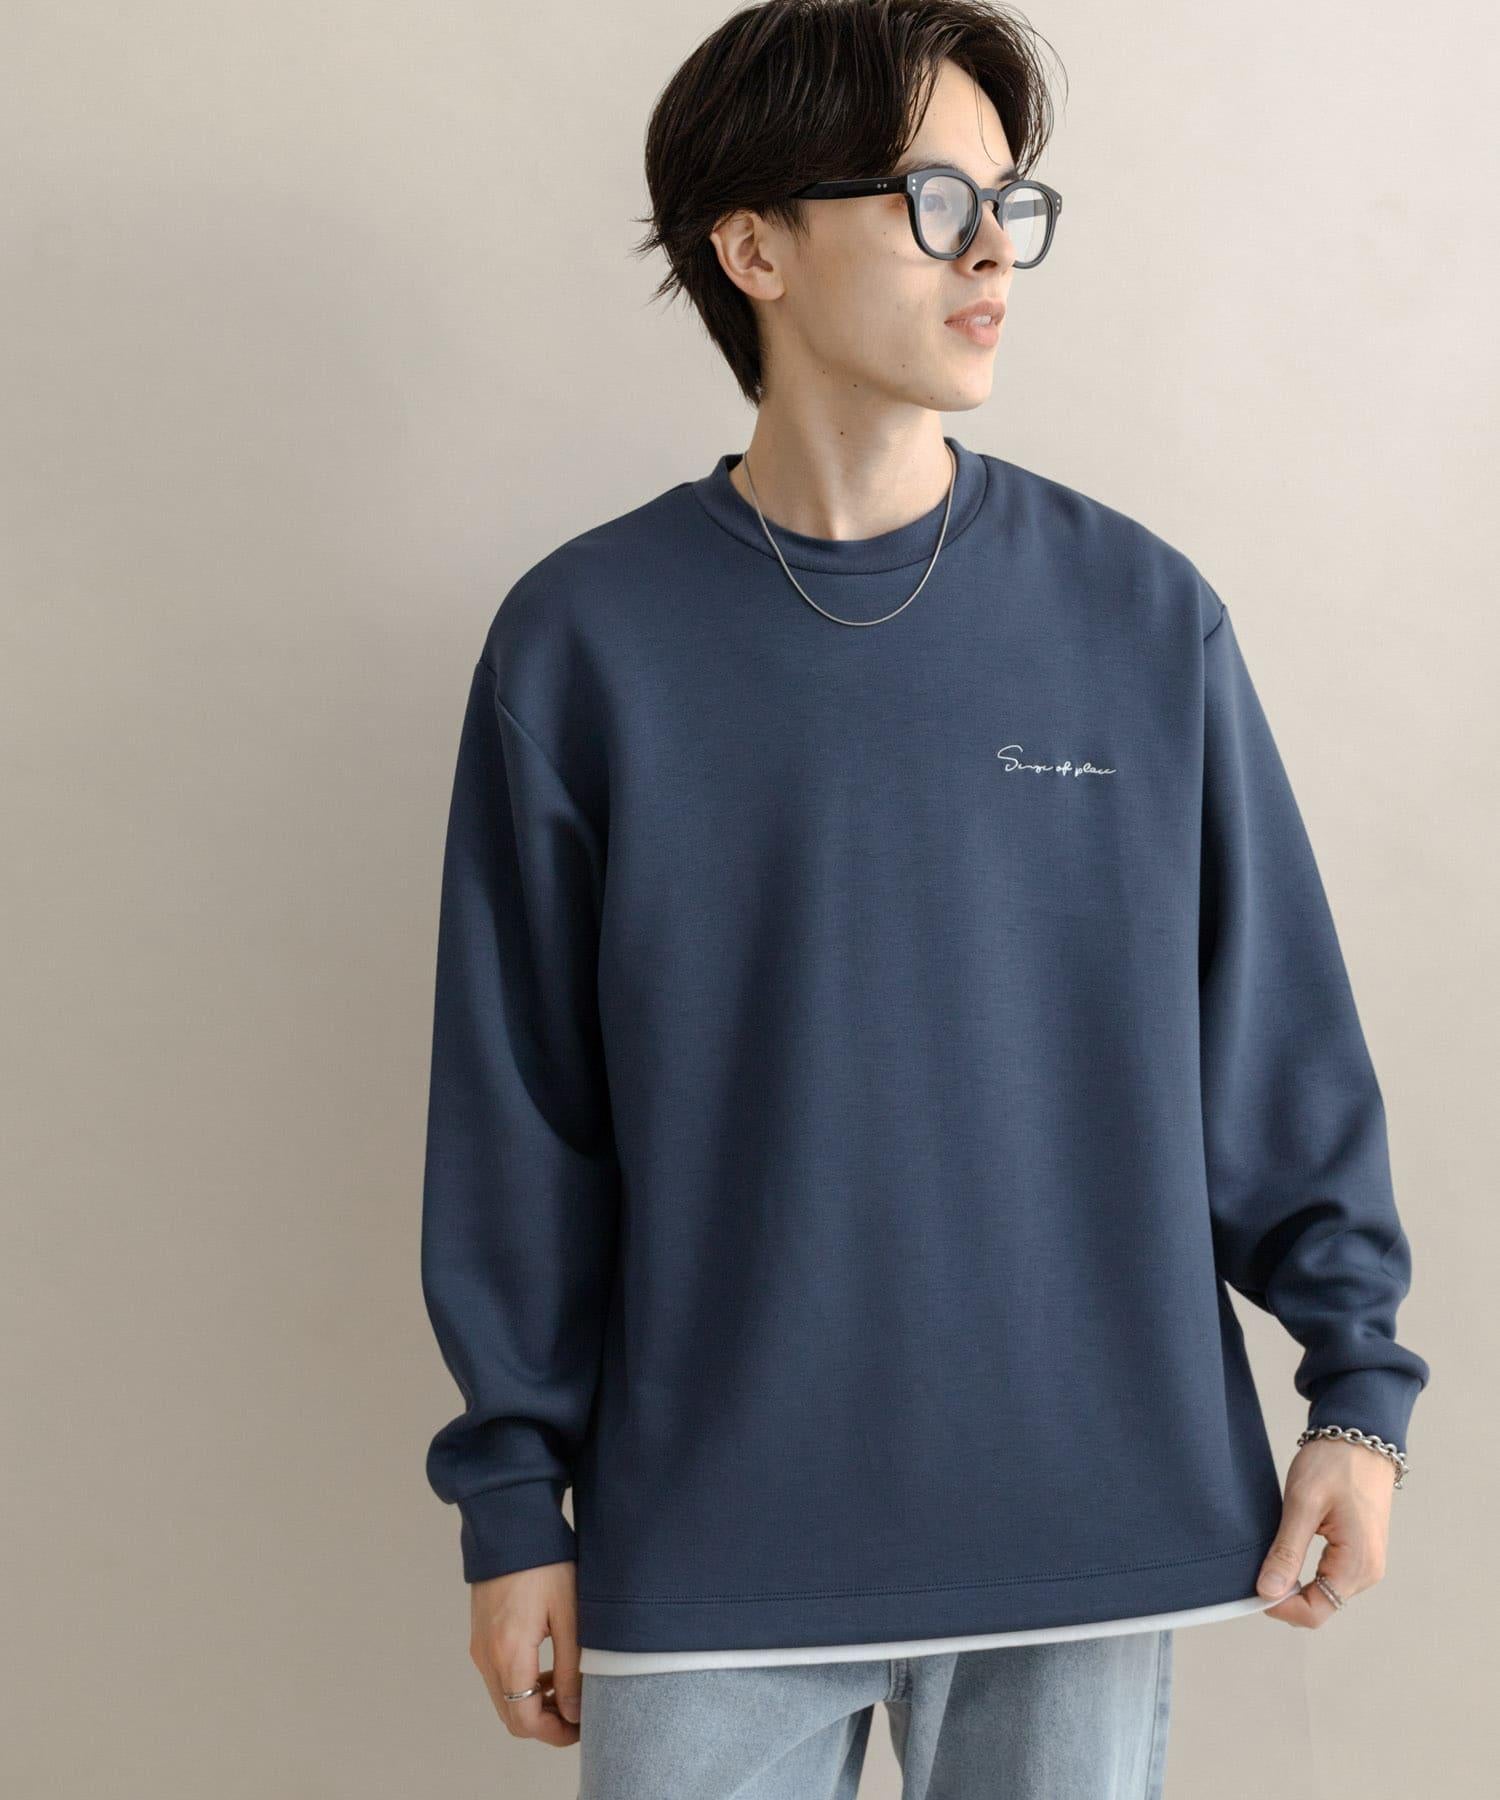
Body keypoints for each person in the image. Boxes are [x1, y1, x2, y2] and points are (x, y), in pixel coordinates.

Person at [417, 3, 1430, 1794]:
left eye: (1010, 202)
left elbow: (1271, 1039)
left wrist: (1358, 1392)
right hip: (713, 1538)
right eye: (933, 198)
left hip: (1087, 1522)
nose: (992, 251)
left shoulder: (1140, 618)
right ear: (754, 249)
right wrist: (512, 1502)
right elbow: (522, 1120)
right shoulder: (584, 645)